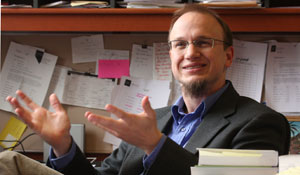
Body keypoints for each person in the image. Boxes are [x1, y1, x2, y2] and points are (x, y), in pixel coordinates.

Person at [1, 4, 290, 175]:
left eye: (203, 42)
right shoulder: (153, 120)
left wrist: (156, 145)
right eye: (180, 44)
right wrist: (62, 144)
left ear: (228, 56)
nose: (190, 53)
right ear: (171, 56)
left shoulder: (260, 123)